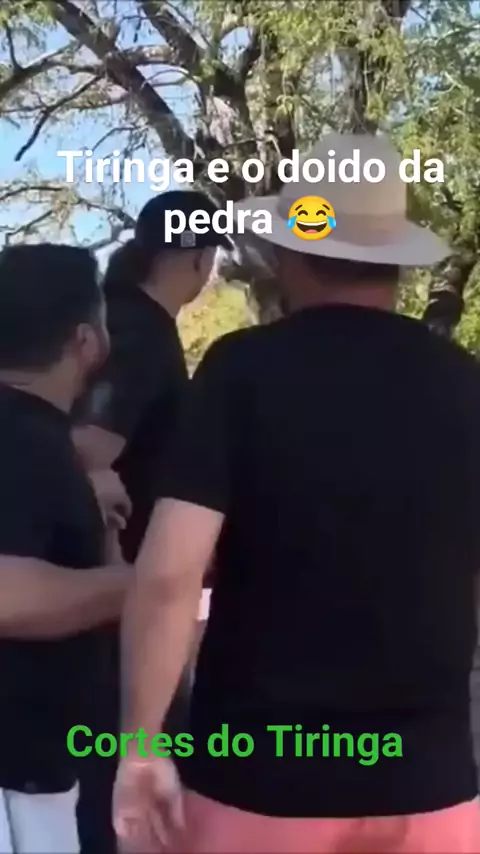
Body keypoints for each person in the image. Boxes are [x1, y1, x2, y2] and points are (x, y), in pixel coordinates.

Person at [114, 133, 480, 854]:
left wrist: (139, 746)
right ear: (395, 261)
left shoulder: (241, 370)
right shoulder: (463, 382)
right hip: (429, 786)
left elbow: (169, 576)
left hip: (259, 784)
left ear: (289, 253)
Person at [73, 189, 234, 853]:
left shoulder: (119, 317)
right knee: (143, 770)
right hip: (117, 594)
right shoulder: (139, 332)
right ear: (196, 260)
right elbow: (89, 446)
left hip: (110, 590)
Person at [0, 244, 130, 854]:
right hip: (13, 783)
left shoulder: (39, 439)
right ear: (85, 339)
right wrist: (144, 582)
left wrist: (99, 520)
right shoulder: (21, 440)